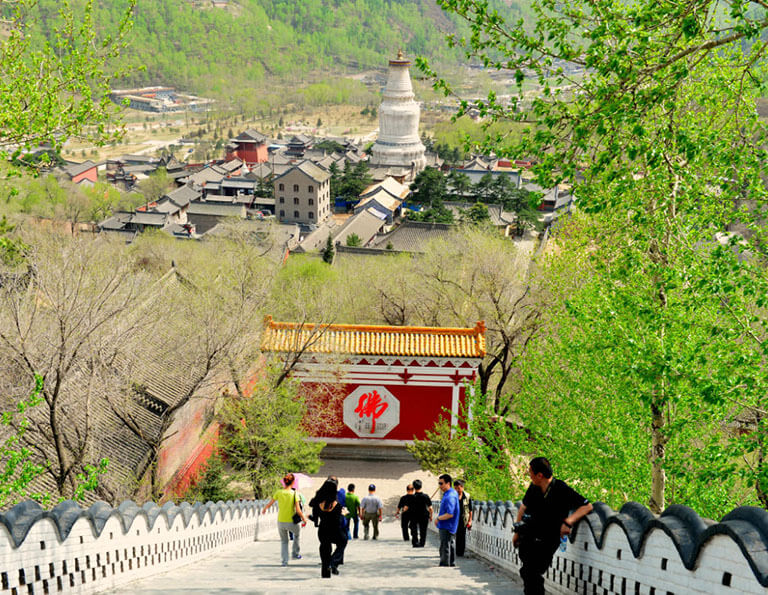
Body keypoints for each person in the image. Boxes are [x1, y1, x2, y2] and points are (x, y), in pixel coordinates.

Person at [513, 457, 593, 595]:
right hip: (529, 536)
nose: (529, 475)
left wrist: (568, 522)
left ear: (540, 475)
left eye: (530, 472)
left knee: (532, 571)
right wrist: (517, 532)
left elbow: (587, 506)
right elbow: (523, 509)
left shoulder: (560, 489)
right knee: (527, 572)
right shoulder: (533, 488)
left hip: (548, 539)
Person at [261, 472, 307, 567]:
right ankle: (295, 553)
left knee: (284, 542)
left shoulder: (278, 492)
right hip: (292, 522)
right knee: (297, 535)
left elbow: (270, 503)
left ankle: (284, 561)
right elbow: (298, 510)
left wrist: (265, 509)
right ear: (293, 482)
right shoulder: (295, 494)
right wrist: (304, 518)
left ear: (284, 482)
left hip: (281, 521)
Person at [309, 478, 346, 578]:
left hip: (323, 529)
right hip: (335, 530)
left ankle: (325, 573)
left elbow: (315, 517)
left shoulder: (318, 503)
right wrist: (343, 514)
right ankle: (333, 563)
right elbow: (338, 520)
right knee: (343, 541)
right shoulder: (336, 505)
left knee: (325, 549)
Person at [435, 473, 459, 567]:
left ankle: (445, 564)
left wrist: (438, 518)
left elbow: (450, 513)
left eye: (441, 483)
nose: (440, 486)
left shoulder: (450, 496)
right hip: (448, 525)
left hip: (447, 525)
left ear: (448, 483)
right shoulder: (450, 493)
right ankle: (451, 563)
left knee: (445, 545)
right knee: (449, 544)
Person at [409, 478, 433, 547]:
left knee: (414, 529)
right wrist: (431, 516)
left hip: (414, 515)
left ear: (413, 487)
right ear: (421, 486)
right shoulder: (426, 496)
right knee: (423, 530)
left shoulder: (411, 497)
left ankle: (415, 542)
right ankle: (422, 543)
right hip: (424, 515)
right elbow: (430, 508)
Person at [454, 479, 473, 557]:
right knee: (456, 534)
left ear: (462, 487)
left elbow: (470, 509)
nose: (457, 490)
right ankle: (457, 550)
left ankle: (461, 552)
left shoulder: (467, 496)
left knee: (462, 535)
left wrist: (470, 521)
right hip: (454, 518)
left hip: (463, 518)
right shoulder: (453, 496)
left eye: (458, 488)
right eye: (455, 488)